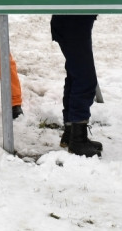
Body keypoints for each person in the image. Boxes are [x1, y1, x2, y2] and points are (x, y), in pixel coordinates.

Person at [51, 15, 102, 156]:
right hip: (73, 22)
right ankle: (78, 140)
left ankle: (71, 133)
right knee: (84, 79)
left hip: (72, 22)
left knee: (76, 76)